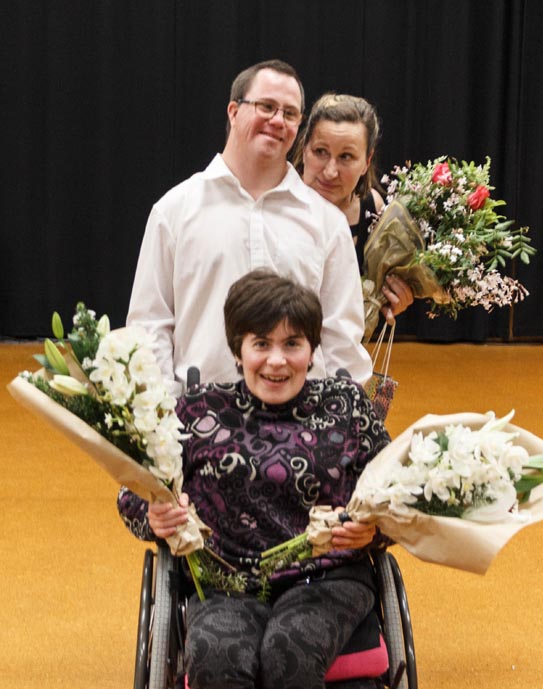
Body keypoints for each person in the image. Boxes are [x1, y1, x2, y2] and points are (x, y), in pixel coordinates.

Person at [118, 269, 391, 689]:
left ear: (312, 349)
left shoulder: (348, 406)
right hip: (227, 584)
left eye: (292, 343)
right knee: (215, 656)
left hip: (326, 579)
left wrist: (372, 531)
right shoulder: (198, 411)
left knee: (289, 650)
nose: (276, 360)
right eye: (261, 344)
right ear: (238, 350)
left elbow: (398, 497)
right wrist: (153, 516)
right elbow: (134, 490)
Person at [126, 61, 372, 397]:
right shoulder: (174, 210)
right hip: (200, 421)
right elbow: (149, 327)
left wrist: (343, 422)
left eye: (289, 113)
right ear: (233, 111)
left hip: (301, 430)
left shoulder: (327, 223)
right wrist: (161, 417)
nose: (277, 120)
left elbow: (342, 341)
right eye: (266, 106)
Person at [293, 93, 414, 325]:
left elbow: (368, 300)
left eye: (346, 156)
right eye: (320, 152)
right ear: (304, 147)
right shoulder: (276, 202)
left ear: (366, 162)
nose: (330, 171)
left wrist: (392, 299)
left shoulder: (373, 210)